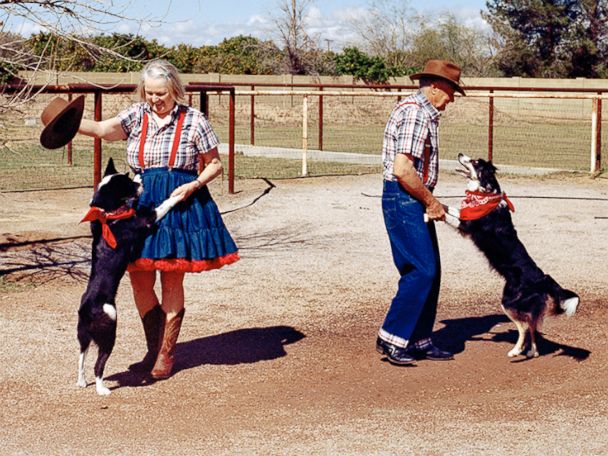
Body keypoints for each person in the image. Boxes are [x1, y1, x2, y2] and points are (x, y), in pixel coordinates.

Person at [78, 59, 239, 379]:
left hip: (179, 203)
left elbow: (215, 164)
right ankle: (153, 348)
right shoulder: (136, 115)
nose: (155, 99)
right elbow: (100, 130)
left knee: (171, 277)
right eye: (149, 93)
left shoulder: (195, 120)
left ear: (175, 90)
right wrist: (66, 123)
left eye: (161, 93)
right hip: (139, 203)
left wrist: (194, 184)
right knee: (139, 277)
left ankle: (165, 354)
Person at [376, 59, 465, 366]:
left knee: (431, 271)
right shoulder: (416, 113)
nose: (452, 99)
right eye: (451, 91)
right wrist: (431, 201)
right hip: (404, 198)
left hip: (410, 197)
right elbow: (403, 168)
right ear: (437, 86)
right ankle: (392, 336)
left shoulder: (423, 112)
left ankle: (418, 339)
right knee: (421, 270)